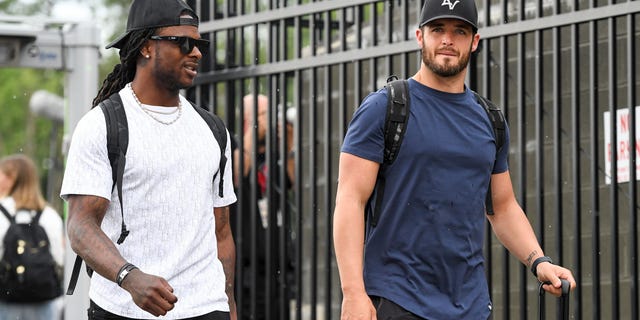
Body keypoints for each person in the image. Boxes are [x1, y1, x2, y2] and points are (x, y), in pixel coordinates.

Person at [332, 0, 577, 319]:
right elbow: (350, 199)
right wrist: (353, 293)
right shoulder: (385, 108)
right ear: (420, 36)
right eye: (438, 29)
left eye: (459, 31)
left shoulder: (490, 119)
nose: (448, 39)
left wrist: (538, 261)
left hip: (471, 304)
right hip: (398, 299)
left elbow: (501, 206)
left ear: (474, 42)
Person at [60, 0, 237, 319]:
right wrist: (128, 276)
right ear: (145, 47)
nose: (195, 53)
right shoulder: (102, 125)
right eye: (183, 42)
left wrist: (229, 304)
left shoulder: (213, 129)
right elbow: (80, 226)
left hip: (205, 307)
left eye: (199, 44)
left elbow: (221, 232)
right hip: (122, 308)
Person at [232, 94, 295, 320]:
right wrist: (254, 132)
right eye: (262, 114)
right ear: (247, 119)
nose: (269, 120)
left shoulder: (273, 153)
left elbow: (291, 181)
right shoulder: (234, 146)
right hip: (248, 270)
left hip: (278, 266)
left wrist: (289, 145)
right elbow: (238, 173)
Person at [0, 154, 64, 320]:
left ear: (12, 178)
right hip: (43, 299)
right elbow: (59, 258)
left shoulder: (1, 213)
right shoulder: (49, 216)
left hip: (7, 298)